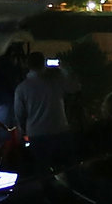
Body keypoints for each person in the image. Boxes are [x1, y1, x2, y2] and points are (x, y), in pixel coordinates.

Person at [10, 59, 80, 187]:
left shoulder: (22, 88)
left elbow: (19, 113)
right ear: (44, 65)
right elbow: (74, 87)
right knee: (68, 166)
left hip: (37, 133)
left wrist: (23, 131)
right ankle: (73, 192)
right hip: (59, 129)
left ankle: (46, 194)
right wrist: (65, 70)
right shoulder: (55, 82)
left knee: (42, 168)